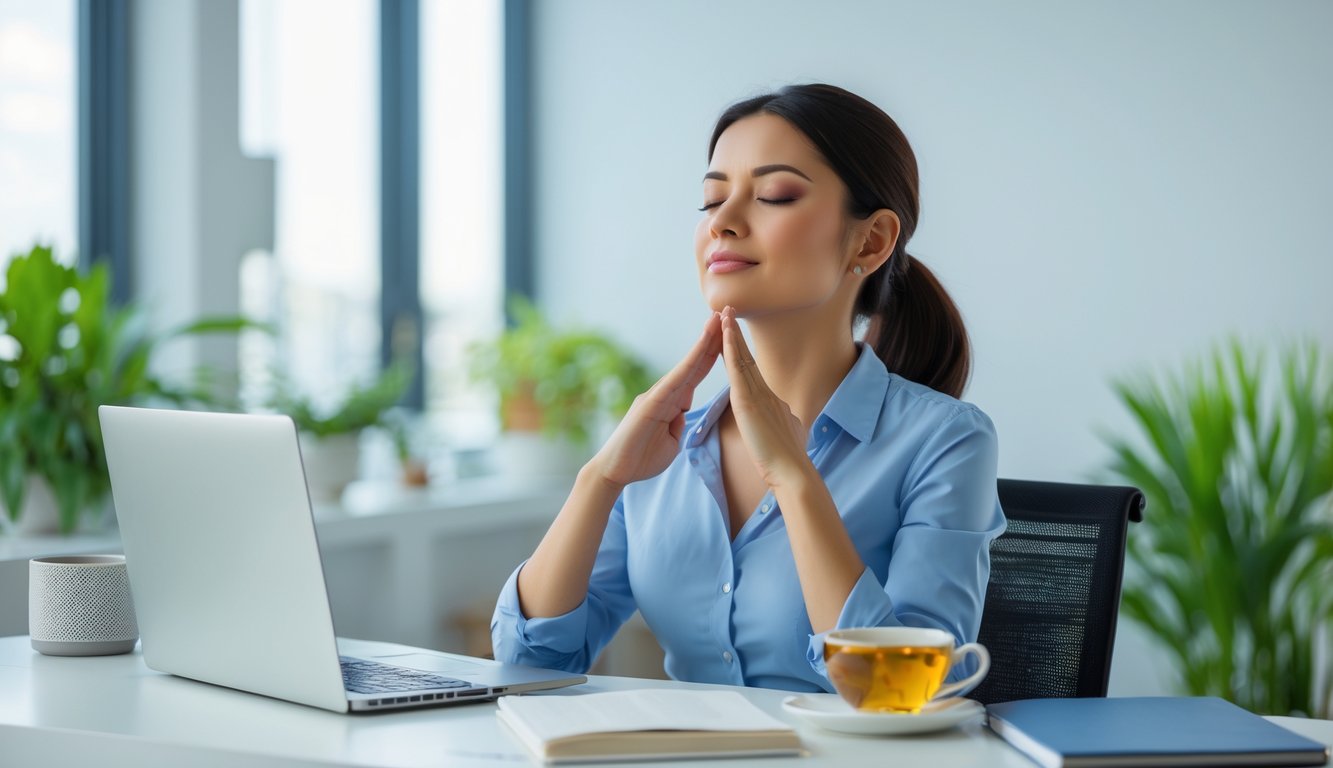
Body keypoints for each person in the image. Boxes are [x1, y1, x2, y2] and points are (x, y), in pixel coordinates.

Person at [491, 83, 1005, 693]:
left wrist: (794, 475)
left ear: (870, 241)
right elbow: (529, 667)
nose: (724, 224)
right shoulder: (664, 446)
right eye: (711, 201)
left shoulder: (945, 440)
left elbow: (903, 693)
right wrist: (599, 480)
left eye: (774, 195)